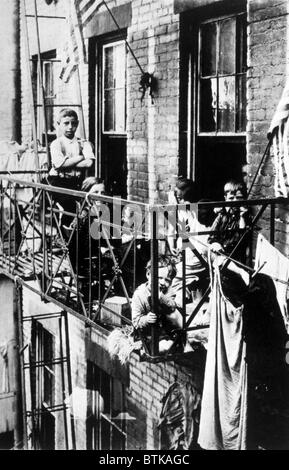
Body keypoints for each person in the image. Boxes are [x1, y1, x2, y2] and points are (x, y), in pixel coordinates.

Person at [167, 178, 210, 307]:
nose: (178, 200)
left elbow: (201, 244)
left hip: (197, 258)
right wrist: (172, 246)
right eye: (177, 197)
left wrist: (175, 206)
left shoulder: (200, 210)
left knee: (174, 286)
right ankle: (184, 300)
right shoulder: (180, 210)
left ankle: (178, 307)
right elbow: (171, 230)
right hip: (183, 256)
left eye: (180, 198)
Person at [48, 108, 95, 228]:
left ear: (77, 124)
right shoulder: (56, 144)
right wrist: (81, 157)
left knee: (92, 205)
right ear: (59, 124)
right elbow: (59, 165)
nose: (70, 127)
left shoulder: (84, 143)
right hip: (58, 181)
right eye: (66, 123)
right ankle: (64, 236)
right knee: (70, 208)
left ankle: (81, 236)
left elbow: (89, 163)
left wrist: (68, 162)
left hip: (76, 182)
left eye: (73, 123)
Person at [131, 256, 186, 354]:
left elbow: (173, 307)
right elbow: (136, 321)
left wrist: (161, 297)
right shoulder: (139, 294)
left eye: (167, 280)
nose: (162, 283)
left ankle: (183, 341)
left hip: (164, 331)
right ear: (148, 274)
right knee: (165, 347)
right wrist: (146, 319)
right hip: (148, 334)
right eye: (159, 278)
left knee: (175, 314)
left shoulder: (168, 291)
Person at [208, 179, 252, 263]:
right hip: (221, 254)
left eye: (239, 198)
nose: (235, 201)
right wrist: (216, 243)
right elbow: (211, 236)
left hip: (236, 258)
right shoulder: (222, 215)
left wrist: (242, 218)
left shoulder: (246, 217)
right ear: (225, 199)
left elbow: (241, 241)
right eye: (231, 198)